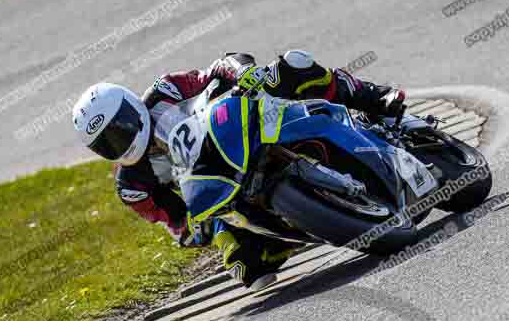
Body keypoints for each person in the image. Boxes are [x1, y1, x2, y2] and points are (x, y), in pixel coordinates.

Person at [72, 50, 405, 290]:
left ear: (132, 109)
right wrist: (192, 229)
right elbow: (178, 221)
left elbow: (220, 66)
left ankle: (374, 98)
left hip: (239, 130)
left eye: (119, 130)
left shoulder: (165, 91)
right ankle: (298, 224)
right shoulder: (133, 186)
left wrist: (242, 73)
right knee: (246, 266)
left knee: (292, 66)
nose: (120, 143)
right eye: (107, 144)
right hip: (220, 193)